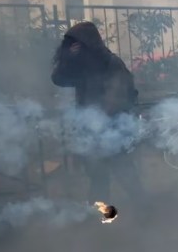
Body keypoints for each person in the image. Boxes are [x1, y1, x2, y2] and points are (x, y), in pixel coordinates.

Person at [51, 22, 145, 204]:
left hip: (113, 127)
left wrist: (102, 123)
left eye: (78, 44)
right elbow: (58, 79)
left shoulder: (112, 63)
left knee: (124, 172)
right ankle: (101, 213)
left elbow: (118, 96)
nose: (76, 48)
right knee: (97, 176)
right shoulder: (81, 65)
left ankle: (144, 207)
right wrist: (68, 58)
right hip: (91, 130)